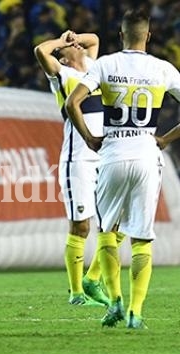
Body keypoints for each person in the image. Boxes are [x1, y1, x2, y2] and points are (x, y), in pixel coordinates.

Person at [66, 8, 180, 328]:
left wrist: (89, 137)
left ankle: (114, 300)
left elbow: (71, 103)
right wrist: (166, 139)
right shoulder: (162, 68)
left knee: (107, 232)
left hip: (113, 152)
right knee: (142, 239)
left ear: (121, 35)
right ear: (148, 35)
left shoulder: (106, 64)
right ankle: (136, 313)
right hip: (147, 154)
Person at [34, 30, 110, 306]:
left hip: (105, 156)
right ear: (62, 57)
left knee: (115, 222)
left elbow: (94, 39)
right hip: (78, 158)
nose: (77, 44)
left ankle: (93, 278)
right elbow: (41, 51)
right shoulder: (62, 76)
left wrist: (75, 36)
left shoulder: (92, 67)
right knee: (81, 226)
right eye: (69, 46)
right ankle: (77, 293)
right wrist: (62, 42)